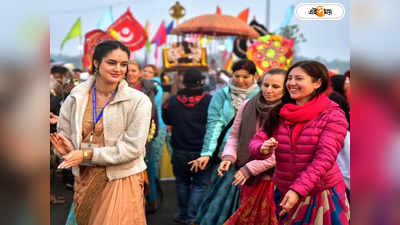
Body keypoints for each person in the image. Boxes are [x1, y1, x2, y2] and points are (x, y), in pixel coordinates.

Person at [51, 40, 152, 225]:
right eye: (111, 63)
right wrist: (66, 150)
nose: (118, 69)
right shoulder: (76, 97)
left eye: (123, 64)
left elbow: (133, 148)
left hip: (121, 178)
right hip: (84, 178)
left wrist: (86, 154)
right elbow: (66, 135)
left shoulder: (138, 101)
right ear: (96, 63)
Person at [253, 60, 350, 224]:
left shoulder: (332, 115)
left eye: (298, 78)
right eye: (289, 78)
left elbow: (324, 159)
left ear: (317, 83)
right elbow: (257, 140)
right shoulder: (280, 111)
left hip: (321, 193)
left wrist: (298, 190)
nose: (291, 83)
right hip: (284, 191)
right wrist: (262, 148)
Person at [190, 59, 260, 225]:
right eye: (237, 76)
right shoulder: (222, 95)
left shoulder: (262, 95)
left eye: (245, 76)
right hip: (227, 155)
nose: (241, 81)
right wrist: (207, 153)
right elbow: (214, 125)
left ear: (254, 76)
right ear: (231, 75)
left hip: (254, 156)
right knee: (220, 197)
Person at [219, 68, 287, 225]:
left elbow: (281, 151)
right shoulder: (248, 105)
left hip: (274, 179)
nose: (268, 90)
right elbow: (235, 135)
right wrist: (229, 157)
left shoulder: (287, 111)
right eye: (265, 85)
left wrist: (249, 169)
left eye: (275, 87)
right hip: (247, 176)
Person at [162, 68, 213, 224]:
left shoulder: (171, 101)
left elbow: (167, 120)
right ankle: (193, 217)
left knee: (182, 182)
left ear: (183, 82)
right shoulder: (210, 101)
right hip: (202, 151)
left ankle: (183, 214)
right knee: (200, 184)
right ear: (201, 81)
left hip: (179, 149)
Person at [142, 64, 167, 212]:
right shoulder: (145, 86)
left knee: (151, 164)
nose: (146, 73)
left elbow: (151, 108)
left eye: (149, 71)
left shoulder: (155, 87)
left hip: (155, 128)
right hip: (152, 126)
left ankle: (152, 197)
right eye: (145, 70)